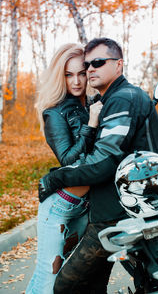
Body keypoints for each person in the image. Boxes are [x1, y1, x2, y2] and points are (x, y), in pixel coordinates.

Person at [38, 37, 158, 294]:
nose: (86, 74)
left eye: (92, 66)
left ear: (119, 65)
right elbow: (74, 158)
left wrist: (54, 178)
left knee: (72, 285)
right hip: (77, 205)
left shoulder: (116, 100)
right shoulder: (62, 112)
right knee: (50, 278)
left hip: (108, 212)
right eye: (87, 65)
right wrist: (92, 125)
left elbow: (104, 160)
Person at [26, 43, 102, 294]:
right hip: (59, 207)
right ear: (60, 76)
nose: (77, 81)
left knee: (71, 274)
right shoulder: (54, 112)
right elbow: (69, 161)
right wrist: (91, 124)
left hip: (84, 206)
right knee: (49, 276)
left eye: (81, 73)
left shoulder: (91, 102)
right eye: (69, 75)